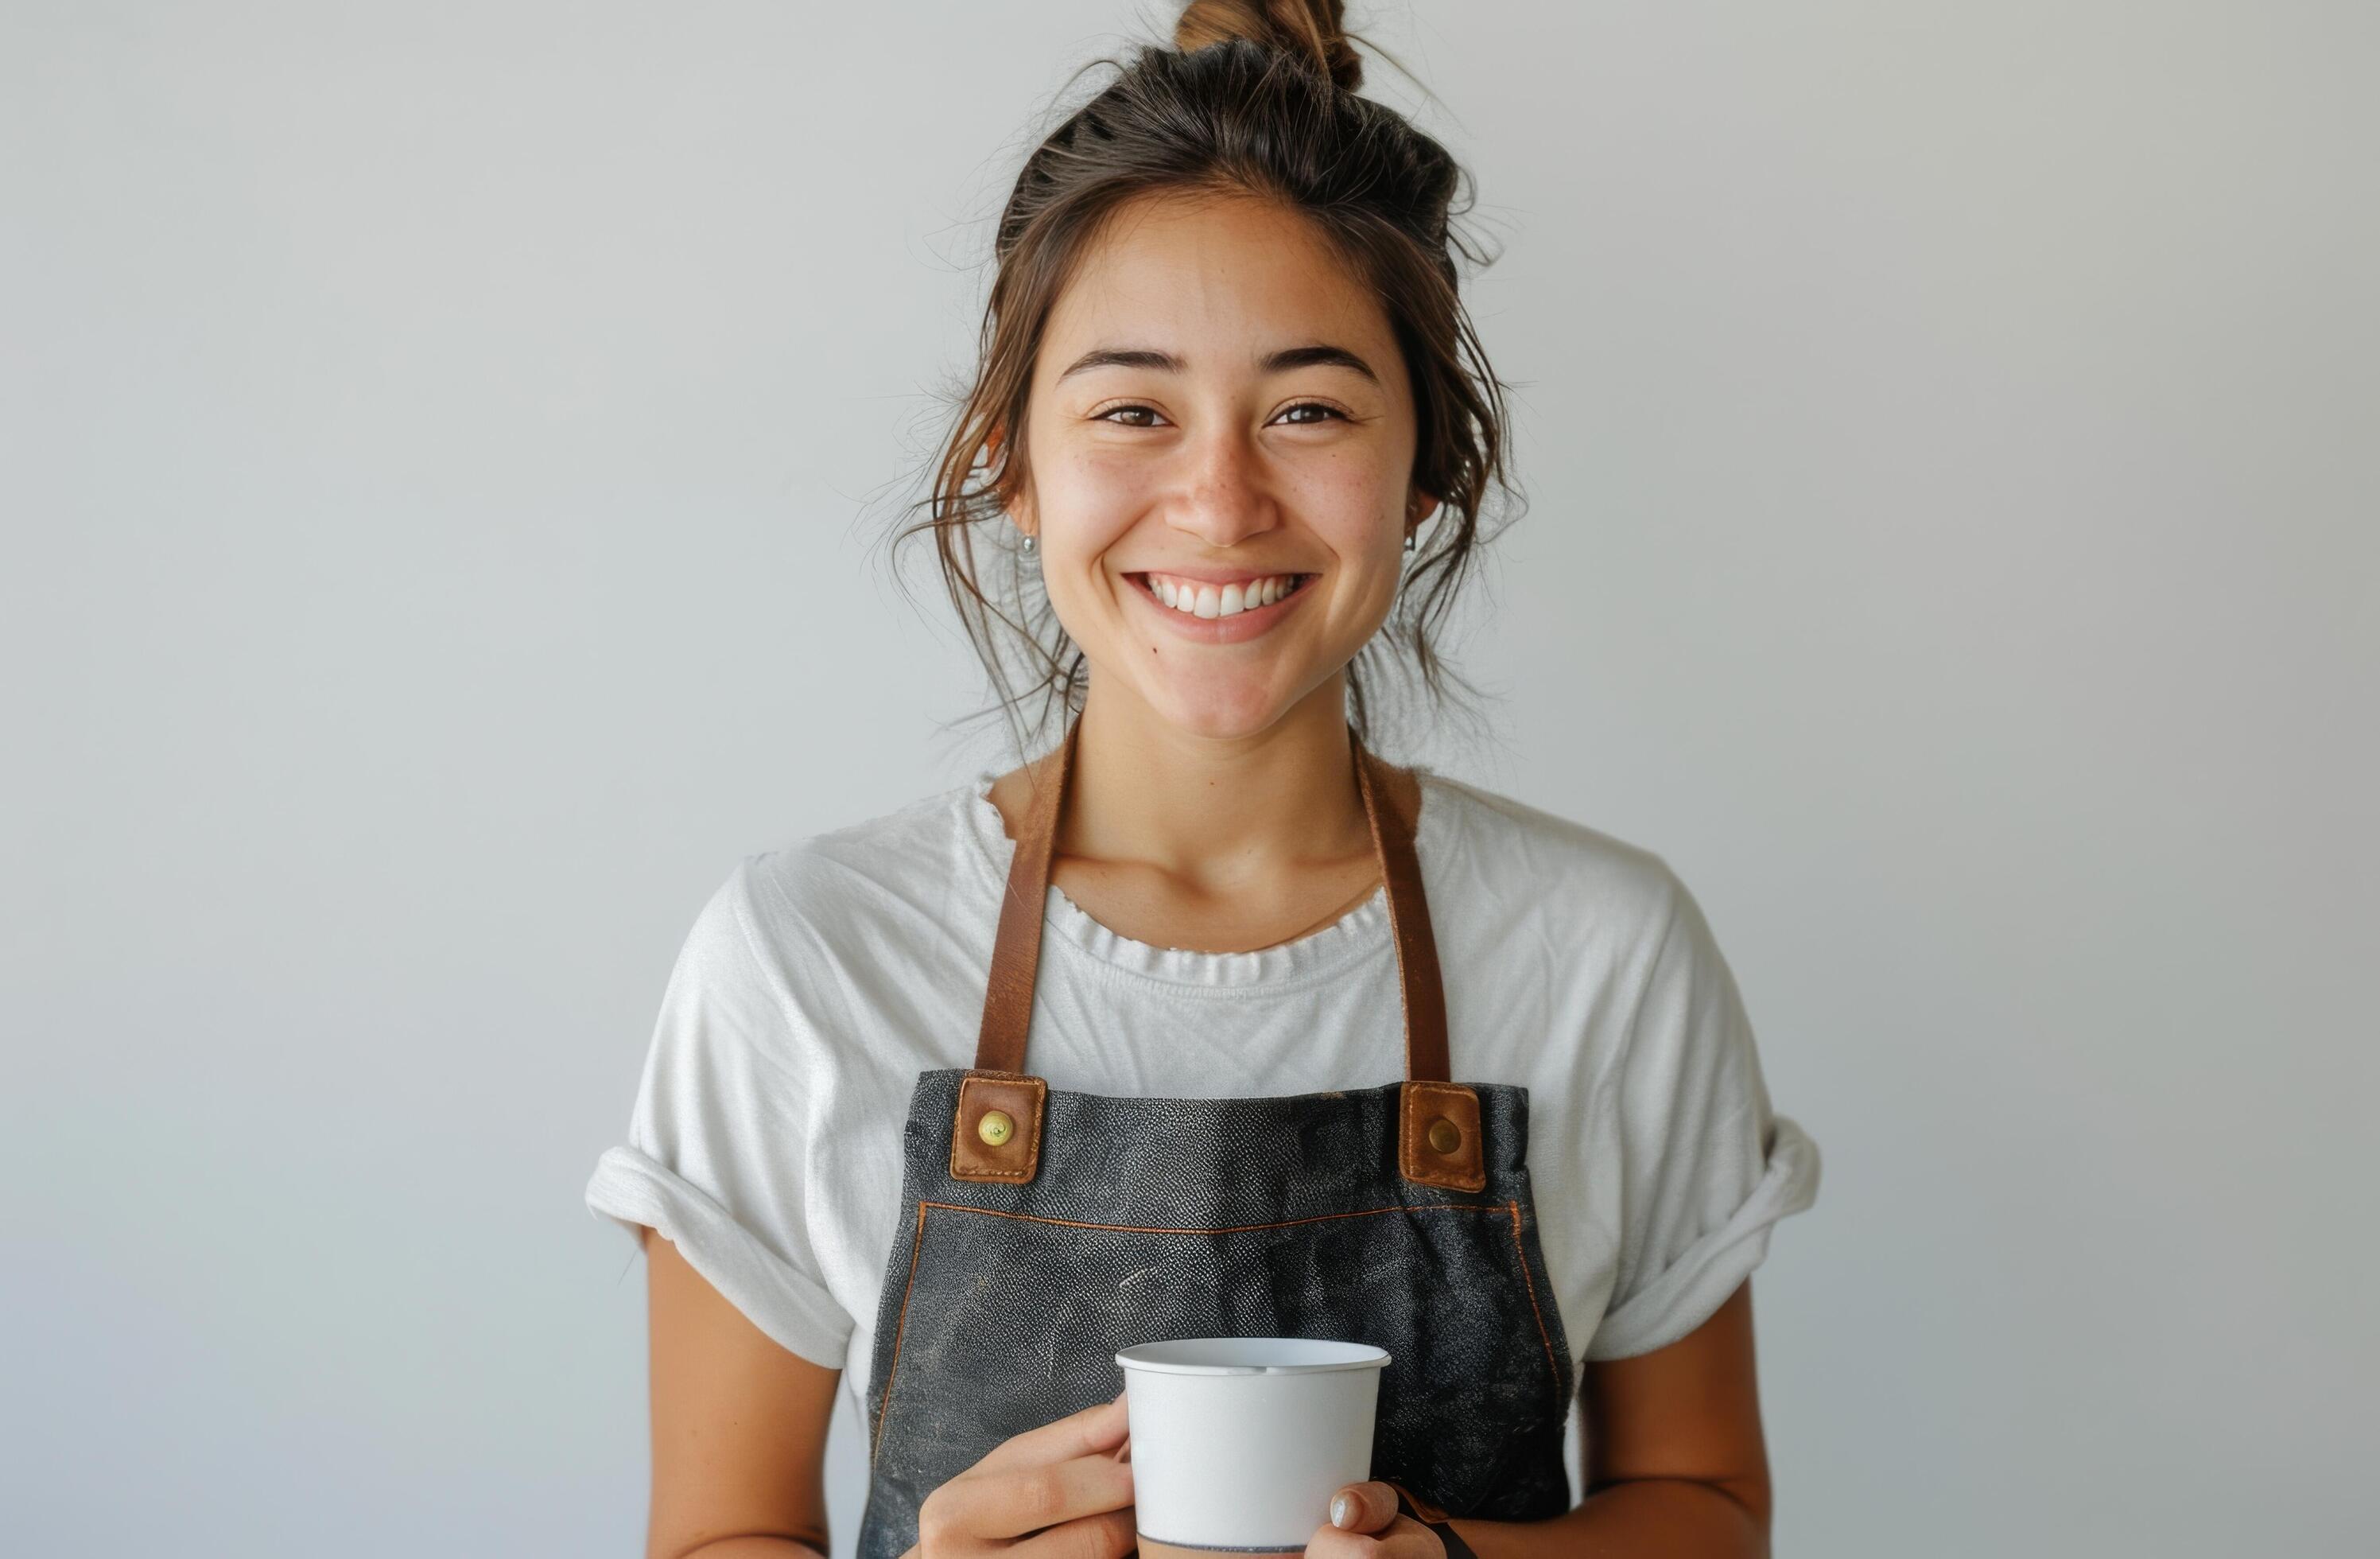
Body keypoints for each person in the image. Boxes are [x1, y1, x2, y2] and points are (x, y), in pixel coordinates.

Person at [584, 4, 1823, 1556]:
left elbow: (1707, 1507)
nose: (1222, 499)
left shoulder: (1605, 945)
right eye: (1132, 411)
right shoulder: (805, 952)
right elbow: (713, 1535)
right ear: (1014, 466)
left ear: (1425, 464)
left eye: (1309, 409)